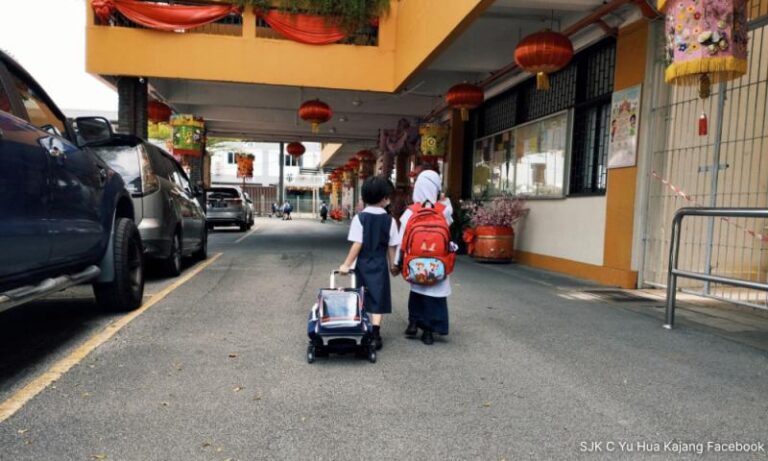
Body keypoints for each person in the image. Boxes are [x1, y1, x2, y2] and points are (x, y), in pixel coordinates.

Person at [339, 176, 399, 350]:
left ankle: (362, 329)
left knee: (361, 295)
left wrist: (346, 264)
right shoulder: (390, 220)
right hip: (380, 265)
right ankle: (376, 333)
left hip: (363, 264)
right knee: (378, 298)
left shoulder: (360, 218)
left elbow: (358, 244)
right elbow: (391, 247)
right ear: (384, 198)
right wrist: (393, 266)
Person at [396, 170, 453, 345]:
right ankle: (428, 331)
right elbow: (449, 227)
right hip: (438, 263)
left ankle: (413, 324)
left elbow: (401, 239)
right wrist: (444, 200)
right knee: (435, 294)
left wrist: (397, 262)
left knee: (417, 292)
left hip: (416, 263)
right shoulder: (444, 210)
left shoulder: (410, 212)